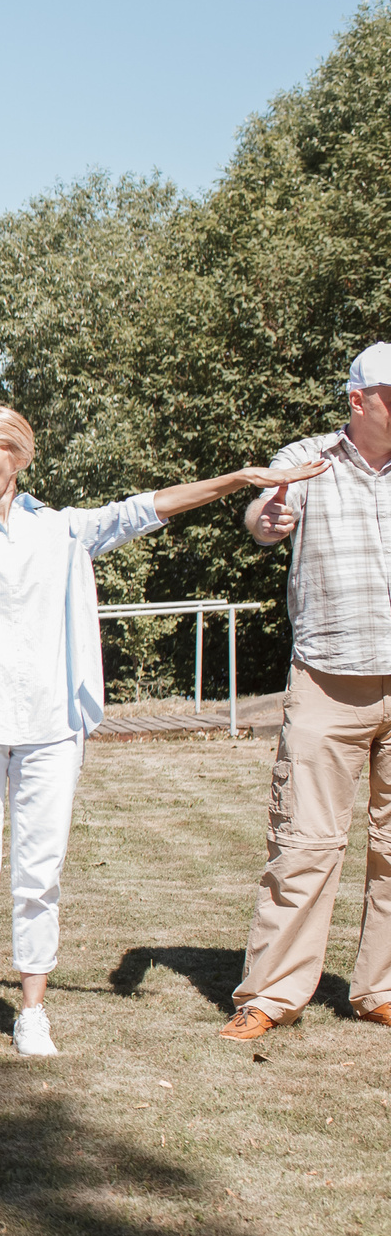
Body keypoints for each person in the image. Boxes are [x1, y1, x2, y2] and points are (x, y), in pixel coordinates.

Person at [0, 403, 321, 1057]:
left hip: (51, 724)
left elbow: (148, 506)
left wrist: (241, 478)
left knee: (40, 872)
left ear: (18, 455)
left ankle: (31, 1012)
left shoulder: (65, 530)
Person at [223, 342, 391, 1043]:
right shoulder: (310, 459)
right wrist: (269, 519)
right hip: (329, 677)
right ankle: (270, 995)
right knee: (305, 841)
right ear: (360, 401)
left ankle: (380, 989)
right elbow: (262, 518)